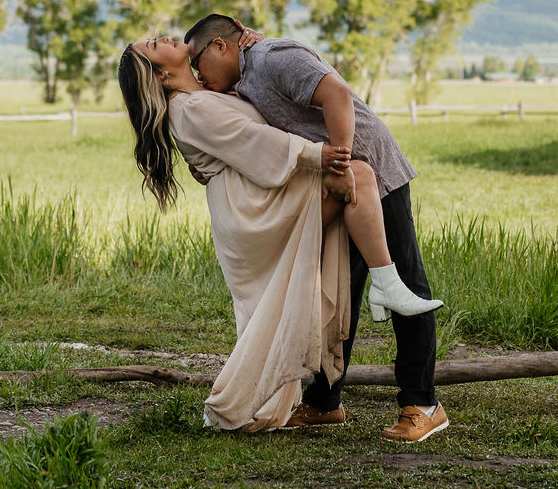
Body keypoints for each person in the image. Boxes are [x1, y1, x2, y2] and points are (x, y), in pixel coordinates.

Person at [117, 37, 441, 433]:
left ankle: (419, 402)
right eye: (154, 45)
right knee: (346, 250)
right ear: (161, 74)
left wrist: (247, 37)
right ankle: (326, 398)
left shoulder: (242, 71)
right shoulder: (193, 103)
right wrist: (321, 157)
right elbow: (251, 139)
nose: (166, 37)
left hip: (338, 168)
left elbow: (248, 123)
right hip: (259, 205)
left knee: (363, 251)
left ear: (223, 45)